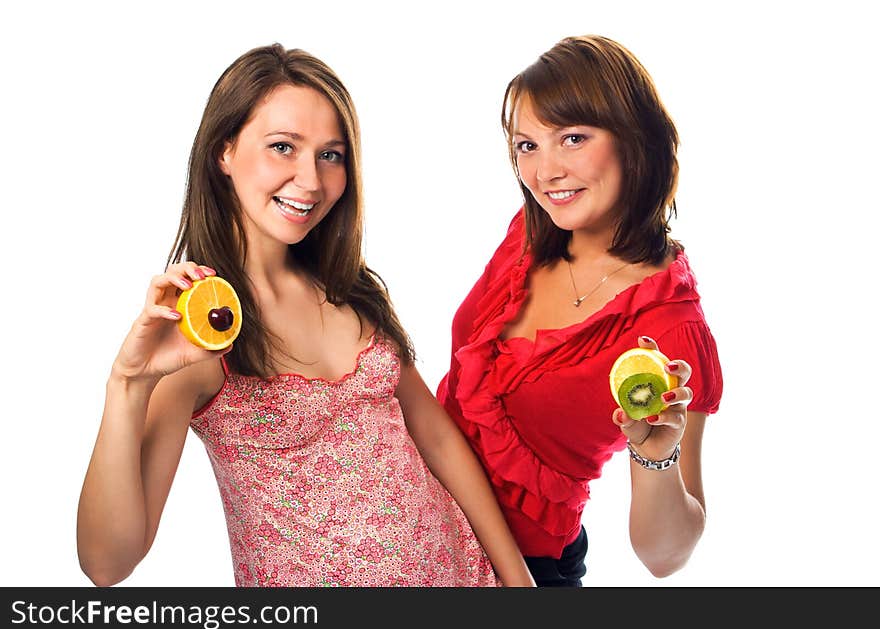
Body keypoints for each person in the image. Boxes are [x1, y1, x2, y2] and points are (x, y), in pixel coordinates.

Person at [76, 44, 534, 588]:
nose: (311, 180)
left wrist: (519, 583)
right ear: (224, 152)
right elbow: (107, 565)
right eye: (283, 147)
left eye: (330, 155)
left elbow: (436, 440)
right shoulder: (197, 333)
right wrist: (127, 384)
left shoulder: (351, 289)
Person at [436, 35, 723, 586]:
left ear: (634, 139)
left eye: (572, 138)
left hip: (524, 571)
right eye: (527, 146)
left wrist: (655, 457)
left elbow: (665, 557)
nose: (545, 173)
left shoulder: (671, 328)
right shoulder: (528, 237)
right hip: (416, 528)